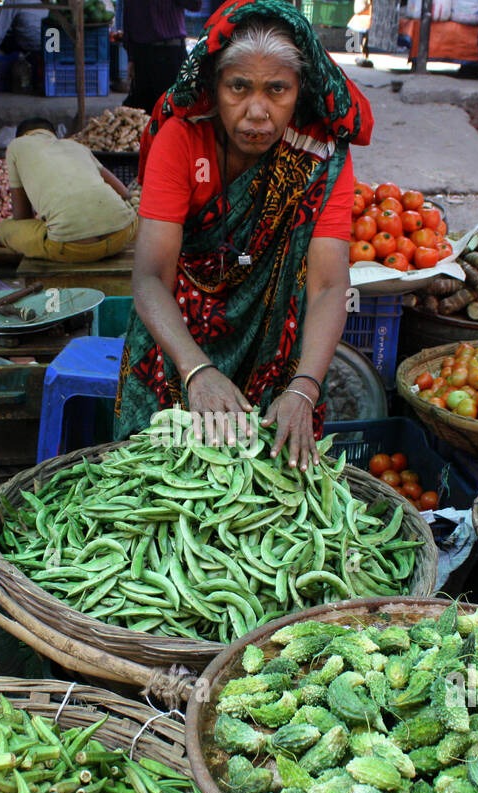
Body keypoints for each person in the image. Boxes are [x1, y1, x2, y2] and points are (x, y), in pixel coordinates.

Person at [113, 0, 373, 471]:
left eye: (277, 90)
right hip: (180, 336)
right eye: (239, 88)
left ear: (301, 89)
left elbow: (330, 284)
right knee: (162, 476)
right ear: (214, 86)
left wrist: (304, 387)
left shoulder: (319, 153)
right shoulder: (182, 137)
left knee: (268, 483)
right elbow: (150, 277)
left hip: (274, 347)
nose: (257, 111)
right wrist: (196, 371)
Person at [0, 118, 138, 263]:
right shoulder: (75, 145)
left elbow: (23, 217)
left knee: (5, 228)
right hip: (123, 233)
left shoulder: (16, 146)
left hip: (75, 248)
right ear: (53, 135)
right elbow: (124, 192)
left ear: (22, 136)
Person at [112, 0, 203, 113]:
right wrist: (131, 57)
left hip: (167, 52)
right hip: (146, 53)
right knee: (147, 114)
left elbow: (195, 4)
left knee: (171, 112)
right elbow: (129, 14)